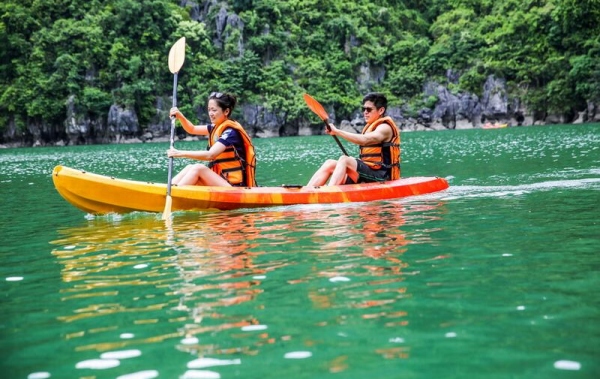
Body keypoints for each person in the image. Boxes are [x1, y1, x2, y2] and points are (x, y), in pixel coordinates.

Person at [306, 92, 400, 186]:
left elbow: (365, 140)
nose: (365, 112)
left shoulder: (385, 128)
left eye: (369, 109)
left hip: (383, 176)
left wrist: (337, 131)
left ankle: (330, 192)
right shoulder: (370, 126)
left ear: (381, 110)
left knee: (345, 159)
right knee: (329, 163)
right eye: (364, 109)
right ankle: (307, 191)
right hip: (369, 172)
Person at [167, 92, 256, 187]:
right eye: (209, 110)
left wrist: (180, 153)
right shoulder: (215, 127)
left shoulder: (230, 132)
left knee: (198, 168)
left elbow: (211, 155)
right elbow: (191, 129)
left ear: (226, 111)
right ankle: (168, 189)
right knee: (190, 167)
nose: (210, 113)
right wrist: (180, 116)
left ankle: (174, 193)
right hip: (222, 181)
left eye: (214, 110)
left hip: (235, 187)